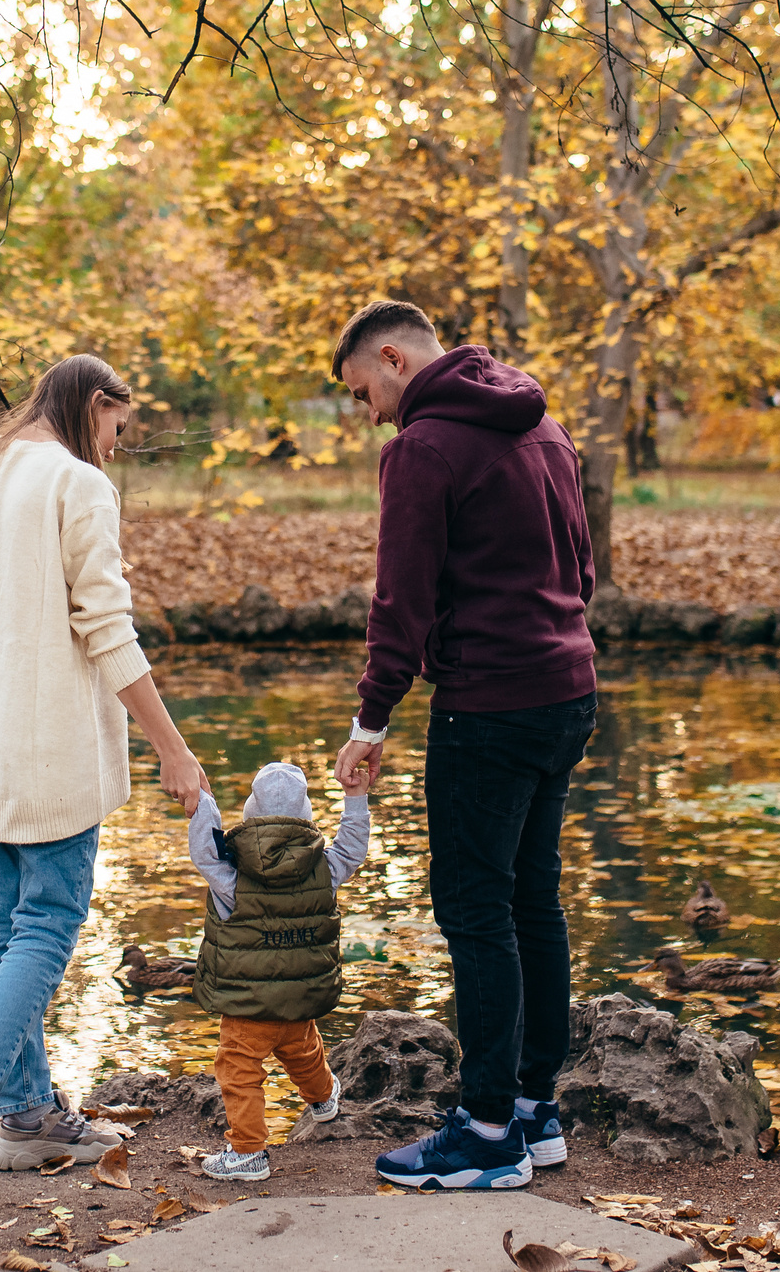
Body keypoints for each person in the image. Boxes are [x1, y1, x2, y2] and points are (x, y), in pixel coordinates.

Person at [0, 354, 209, 1209]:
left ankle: (26, 1122)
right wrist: (172, 749)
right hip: (51, 750)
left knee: (6, 928)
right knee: (49, 924)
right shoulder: (77, 484)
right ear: (96, 405)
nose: (115, 446)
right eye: (118, 427)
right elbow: (107, 626)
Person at [327, 300, 596, 1190]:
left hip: (487, 706)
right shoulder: (544, 425)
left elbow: (400, 601)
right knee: (533, 901)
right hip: (568, 692)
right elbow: (582, 565)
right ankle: (533, 1109)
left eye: (366, 391)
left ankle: (484, 1133)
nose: (370, 413)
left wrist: (371, 722)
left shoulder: (423, 448)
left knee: (476, 911)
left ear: (395, 358)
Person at [187, 760, 372, 1182]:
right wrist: (356, 798)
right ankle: (324, 1099)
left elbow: (204, 852)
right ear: (306, 814)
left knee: (239, 1071)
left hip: (246, 1007)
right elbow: (353, 847)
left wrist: (205, 803)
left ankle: (248, 1153)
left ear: (252, 812)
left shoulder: (232, 877)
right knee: (301, 1049)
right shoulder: (325, 868)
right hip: (299, 999)